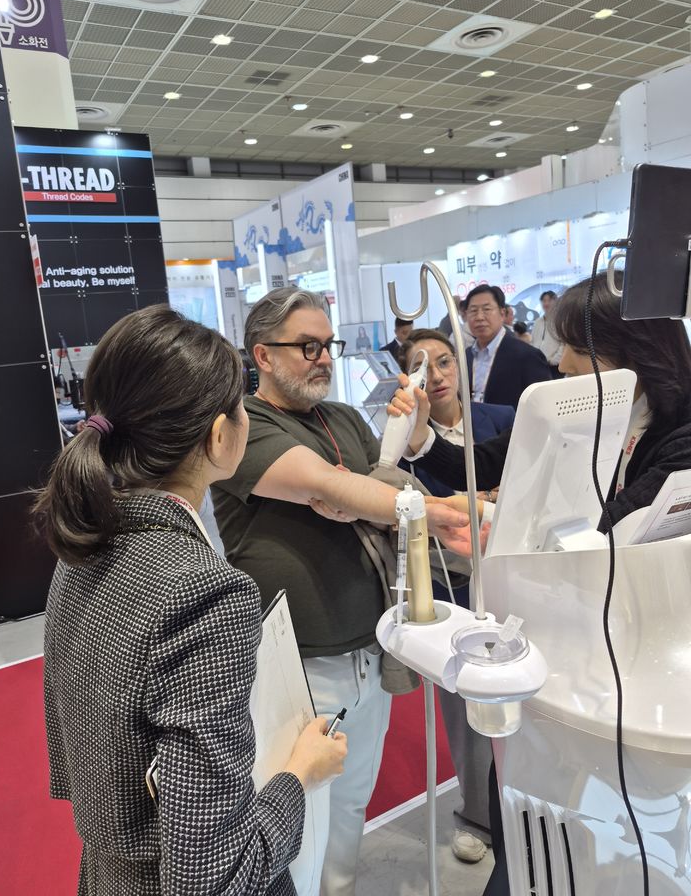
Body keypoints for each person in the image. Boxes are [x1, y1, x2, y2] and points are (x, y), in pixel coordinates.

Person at [390, 272, 691, 895]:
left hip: (643, 655)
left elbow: (613, 524)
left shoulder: (678, 433)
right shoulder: (598, 410)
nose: (561, 366)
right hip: (579, 634)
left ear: (628, 353)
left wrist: (497, 517)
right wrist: (422, 438)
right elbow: (493, 459)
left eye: (574, 351)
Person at [36, 305, 348, 896]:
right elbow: (215, 876)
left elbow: (70, 757)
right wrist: (298, 777)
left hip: (104, 873)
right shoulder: (205, 591)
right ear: (219, 435)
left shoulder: (81, 546)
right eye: (241, 404)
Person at [211, 287, 475, 896]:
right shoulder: (246, 425)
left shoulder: (345, 418)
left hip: (368, 647)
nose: (324, 357)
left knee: (353, 797)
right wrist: (421, 508)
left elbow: (383, 485)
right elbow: (331, 487)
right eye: (307, 346)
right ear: (263, 355)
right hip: (300, 660)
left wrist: (408, 444)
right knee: (297, 811)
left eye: (328, 344)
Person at [400, 330, 514, 864]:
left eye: (445, 361)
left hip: (511, 573)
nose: (438, 375)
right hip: (451, 581)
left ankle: (522, 804)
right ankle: (476, 814)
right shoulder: (403, 440)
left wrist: (477, 497)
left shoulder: (503, 419)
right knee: (463, 699)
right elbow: (414, 507)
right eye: (423, 367)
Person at [464, 283, 550, 409]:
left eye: (486, 309)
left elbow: (543, 406)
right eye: (473, 311)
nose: (479, 317)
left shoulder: (527, 356)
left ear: (502, 313)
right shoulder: (466, 356)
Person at [531, 289, 563, 378]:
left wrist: (554, 360)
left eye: (549, 300)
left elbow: (564, 344)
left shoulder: (559, 321)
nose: (546, 303)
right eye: (544, 301)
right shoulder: (537, 322)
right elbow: (533, 341)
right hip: (538, 365)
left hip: (555, 366)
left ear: (556, 302)